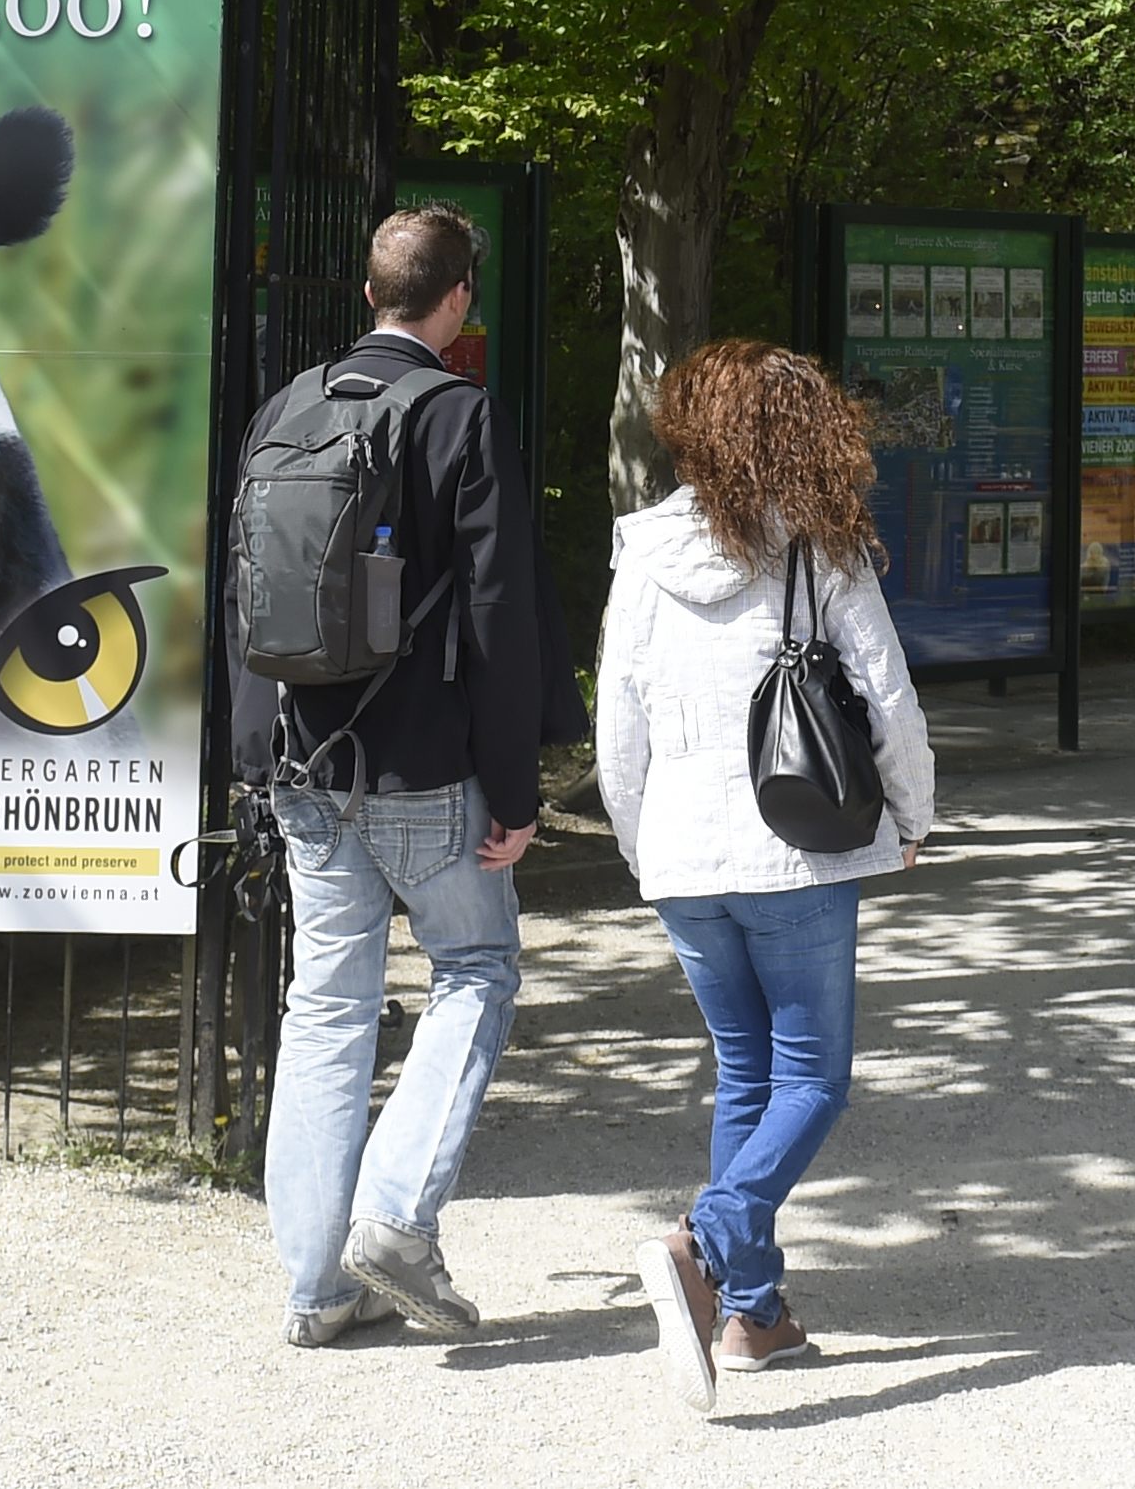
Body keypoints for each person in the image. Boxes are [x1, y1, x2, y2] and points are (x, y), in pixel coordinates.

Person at [598, 339, 935, 1410]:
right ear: (800, 433)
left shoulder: (643, 552)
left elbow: (619, 722)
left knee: (748, 1077)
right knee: (814, 1081)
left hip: (684, 856)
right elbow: (888, 699)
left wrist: (641, 844)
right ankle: (709, 1238)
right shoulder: (819, 551)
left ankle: (755, 1315)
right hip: (798, 852)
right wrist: (915, 815)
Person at [264, 203, 548, 1347]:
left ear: (370, 290)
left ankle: (314, 1289)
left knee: (323, 1010)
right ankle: (394, 1215)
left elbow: (245, 595)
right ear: (457, 298)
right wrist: (516, 788)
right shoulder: (457, 417)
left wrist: (260, 757)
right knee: (476, 966)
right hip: (425, 764)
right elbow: (498, 612)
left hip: (302, 762)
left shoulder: (286, 407)